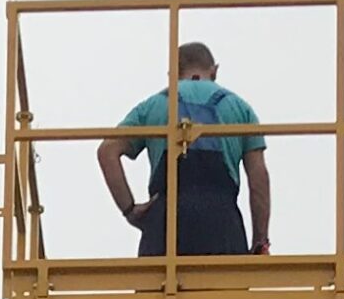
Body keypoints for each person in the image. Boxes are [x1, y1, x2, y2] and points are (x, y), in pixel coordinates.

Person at [98, 41, 271, 257]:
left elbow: (107, 151)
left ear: (173, 73)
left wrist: (130, 209)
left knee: (160, 279)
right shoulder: (240, 109)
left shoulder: (154, 105)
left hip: (164, 224)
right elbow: (258, 179)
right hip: (221, 226)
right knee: (224, 281)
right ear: (214, 71)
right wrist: (259, 242)